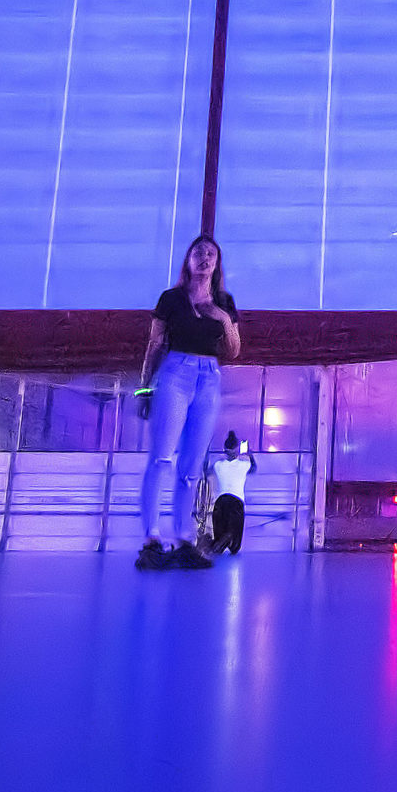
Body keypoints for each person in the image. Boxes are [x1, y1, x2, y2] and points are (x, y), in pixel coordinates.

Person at [137, 235, 241, 571]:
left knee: (191, 467)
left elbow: (234, 350)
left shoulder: (224, 301)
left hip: (209, 376)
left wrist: (222, 319)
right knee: (161, 458)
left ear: (217, 263)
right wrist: (145, 388)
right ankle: (152, 537)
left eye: (211, 254)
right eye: (198, 252)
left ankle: (184, 536)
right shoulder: (171, 298)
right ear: (188, 259)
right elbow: (154, 345)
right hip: (175, 372)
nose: (205, 258)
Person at [209, 432, 255, 555]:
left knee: (220, 533)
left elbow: (206, 471)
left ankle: (213, 549)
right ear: (237, 450)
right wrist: (249, 454)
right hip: (236, 501)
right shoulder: (245, 465)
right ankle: (216, 548)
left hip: (220, 501)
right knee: (234, 541)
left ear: (225, 449)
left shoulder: (218, 465)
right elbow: (254, 468)